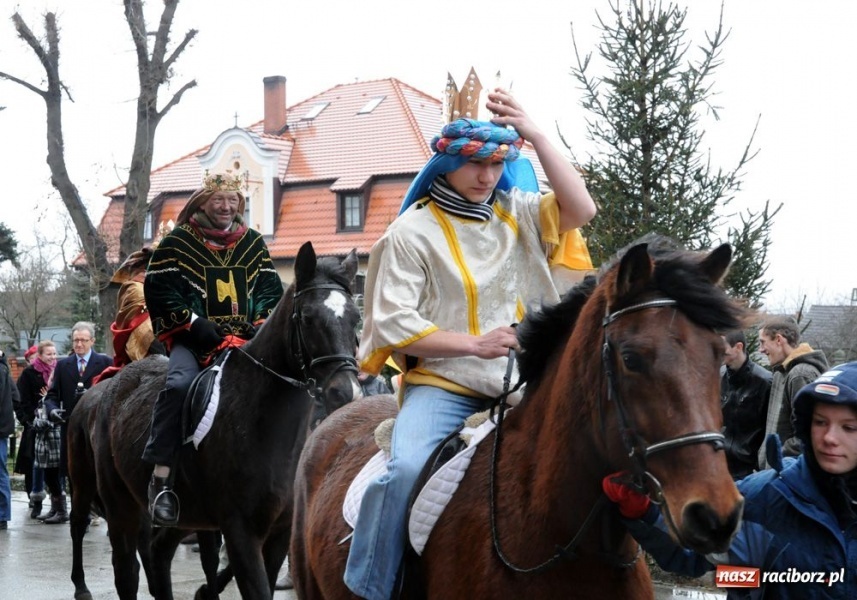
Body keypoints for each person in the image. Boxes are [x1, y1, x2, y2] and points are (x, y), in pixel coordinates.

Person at [345, 84, 596, 599]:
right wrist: (474, 345)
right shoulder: (408, 234)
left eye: (498, 164)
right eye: (475, 164)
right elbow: (393, 325)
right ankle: (371, 588)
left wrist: (535, 134)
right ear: (445, 165)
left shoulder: (519, 212)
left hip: (525, 384)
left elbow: (583, 208)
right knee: (406, 470)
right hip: (444, 386)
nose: (488, 176)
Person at [604, 362, 857, 599]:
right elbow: (693, 552)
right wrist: (646, 513)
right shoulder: (765, 497)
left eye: (849, 427)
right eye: (820, 422)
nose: (829, 437)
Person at [143, 171, 284, 526]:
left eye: (233, 200)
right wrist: (194, 323)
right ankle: (162, 478)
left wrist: (262, 323)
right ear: (203, 202)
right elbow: (159, 290)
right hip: (194, 342)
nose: (226, 206)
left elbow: (270, 290)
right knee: (177, 386)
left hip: (247, 342)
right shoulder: (176, 243)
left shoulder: (252, 242)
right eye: (218, 200)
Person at [43, 322, 113, 523]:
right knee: (75, 474)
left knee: (102, 473)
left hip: (98, 428)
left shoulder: (106, 362)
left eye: (83, 340)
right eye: (76, 340)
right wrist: (53, 409)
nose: (79, 344)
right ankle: (80, 518)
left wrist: (93, 396)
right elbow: (52, 395)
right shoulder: (64, 365)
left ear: (92, 340)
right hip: (72, 430)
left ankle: (109, 517)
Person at [758, 317, 828, 469]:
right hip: (773, 473)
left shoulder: (800, 374)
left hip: (789, 474)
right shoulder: (780, 373)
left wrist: (778, 456)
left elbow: (807, 434)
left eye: (763, 342)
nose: (761, 349)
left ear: (778, 340)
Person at [14, 340, 58, 518]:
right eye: (49, 354)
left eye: (54, 354)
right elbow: (21, 400)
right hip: (35, 427)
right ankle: (36, 501)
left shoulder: (58, 372)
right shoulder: (29, 374)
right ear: (40, 355)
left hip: (55, 425)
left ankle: (57, 504)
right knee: (35, 464)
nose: (53, 357)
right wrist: (28, 421)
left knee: (56, 466)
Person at [720, 330, 772, 479]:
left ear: (738, 347)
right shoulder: (718, 377)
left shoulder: (765, 382)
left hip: (748, 471)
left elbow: (769, 427)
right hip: (718, 464)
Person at [0, 351, 20, 530]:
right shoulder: (4, 368)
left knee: (0, 473)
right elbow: (15, 396)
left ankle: (2, 515)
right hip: (3, 428)